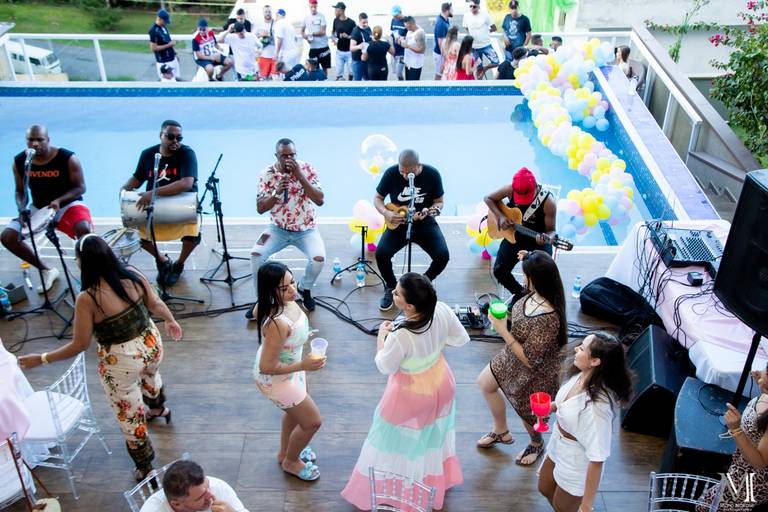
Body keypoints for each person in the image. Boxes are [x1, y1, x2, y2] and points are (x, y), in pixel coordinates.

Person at [19, 234, 182, 482]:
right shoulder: (132, 274)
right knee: (151, 375)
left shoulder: (88, 298)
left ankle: (145, 465)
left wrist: (41, 358)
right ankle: (158, 408)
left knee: (129, 412)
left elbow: (79, 345)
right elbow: (156, 302)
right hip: (151, 344)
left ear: (83, 262)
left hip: (122, 361)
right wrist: (170, 320)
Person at [341, 273, 469, 510]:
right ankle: (430, 480)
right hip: (442, 382)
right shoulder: (441, 309)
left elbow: (385, 366)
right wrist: (433, 347)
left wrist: (382, 336)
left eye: (397, 293)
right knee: (431, 437)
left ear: (409, 306)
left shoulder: (401, 335)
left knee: (393, 441)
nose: (393, 293)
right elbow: (460, 338)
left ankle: (400, 489)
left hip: (411, 394)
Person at [478, 250, 567, 467]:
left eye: (525, 273)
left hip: (535, 372)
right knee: (485, 383)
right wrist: (504, 317)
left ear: (535, 278)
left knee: (528, 414)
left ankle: (536, 443)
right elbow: (523, 323)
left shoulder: (549, 317)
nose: (522, 277)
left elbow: (530, 361)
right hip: (512, 354)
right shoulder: (532, 294)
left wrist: (502, 330)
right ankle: (501, 430)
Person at [538, 333, 632, 512]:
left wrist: (586, 507)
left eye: (581, 348)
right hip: (558, 444)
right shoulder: (581, 375)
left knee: (562, 506)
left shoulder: (598, 409)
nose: (576, 349)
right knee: (544, 487)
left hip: (576, 462)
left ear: (595, 361)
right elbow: (568, 404)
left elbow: (597, 459)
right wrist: (551, 406)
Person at [253, 262, 325, 481]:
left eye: (292, 282)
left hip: (291, 371)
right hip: (276, 379)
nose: (293, 290)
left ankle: (286, 452)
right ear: (270, 292)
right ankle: (291, 462)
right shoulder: (277, 323)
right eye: (284, 288)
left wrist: (297, 339)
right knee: (312, 422)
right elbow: (266, 367)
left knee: (295, 413)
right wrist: (303, 365)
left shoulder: (284, 302)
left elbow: (259, 311)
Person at [2, 124, 94, 293]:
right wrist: (21, 210)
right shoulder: (21, 161)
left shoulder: (67, 157)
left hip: (67, 204)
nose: (35, 143)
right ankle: (47, 270)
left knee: (85, 231)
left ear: (48, 140)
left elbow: (80, 188)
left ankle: (90, 277)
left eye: (40, 139)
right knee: (8, 237)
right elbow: (20, 191)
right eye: (31, 140)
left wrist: (59, 200)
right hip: (39, 208)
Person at [248, 139, 325, 314]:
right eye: (284, 156)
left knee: (319, 259)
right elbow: (260, 208)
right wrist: (276, 193)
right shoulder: (267, 174)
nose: (289, 159)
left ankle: (304, 288)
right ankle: (263, 299)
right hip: (277, 228)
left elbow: (320, 200)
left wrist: (299, 175)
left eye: (292, 155)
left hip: (306, 229)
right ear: (276, 156)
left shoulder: (307, 168)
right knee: (256, 255)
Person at [123, 120, 200, 288]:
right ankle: (162, 260)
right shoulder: (148, 154)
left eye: (179, 138)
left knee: (193, 236)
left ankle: (179, 264)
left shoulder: (187, 153)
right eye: (171, 137)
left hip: (182, 203)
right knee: (138, 235)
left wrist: (152, 193)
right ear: (161, 136)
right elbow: (138, 177)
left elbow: (186, 183)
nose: (175, 141)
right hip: (154, 204)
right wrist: (124, 192)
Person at [373, 149, 449, 311]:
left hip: (424, 223)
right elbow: (378, 198)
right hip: (399, 223)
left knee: (442, 255)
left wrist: (433, 210)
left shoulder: (432, 174)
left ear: (418, 166)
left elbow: (439, 201)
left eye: (409, 173)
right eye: (402, 172)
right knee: (381, 254)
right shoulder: (391, 173)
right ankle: (391, 286)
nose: (405, 176)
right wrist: (386, 212)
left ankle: (425, 281)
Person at [485, 167, 557, 303]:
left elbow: (552, 231)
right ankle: (520, 293)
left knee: (543, 275)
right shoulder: (510, 189)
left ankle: (537, 299)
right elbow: (488, 198)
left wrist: (546, 238)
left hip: (538, 241)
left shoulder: (548, 202)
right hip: (514, 236)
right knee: (499, 270)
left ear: (535, 186)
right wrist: (500, 216)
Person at [139, 459, 248, 512]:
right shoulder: (152, 509)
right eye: (200, 497)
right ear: (177, 504)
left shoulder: (218, 487)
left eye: (207, 486)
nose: (210, 495)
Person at [462, 0, 499, 78]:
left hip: (486, 45)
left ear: (478, 6)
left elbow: (494, 28)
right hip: (474, 47)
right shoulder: (466, 15)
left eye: (474, 6)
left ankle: (484, 69)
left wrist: (485, 32)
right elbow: (466, 27)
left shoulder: (485, 15)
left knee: (496, 62)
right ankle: (479, 82)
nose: (472, 8)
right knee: (478, 67)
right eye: (470, 6)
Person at [149, 9, 179, 81]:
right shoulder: (154, 30)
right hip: (163, 61)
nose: (166, 23)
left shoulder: (164, 28)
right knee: (167, 81)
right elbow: (153, 48)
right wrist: (169, 45)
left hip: (172, 58)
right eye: (165, 21)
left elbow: (168, 40)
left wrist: (174, 53)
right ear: (160, 19)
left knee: (175, 79)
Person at [303, 0, 331, 74]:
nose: (313, 9)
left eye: (315, 7)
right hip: (313, 48)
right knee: (313, 69)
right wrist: (306, 38)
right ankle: (316, 81)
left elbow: (323, 32)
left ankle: (325, 80)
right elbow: (302, 31)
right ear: (309, 6)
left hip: (323, 47)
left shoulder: (321, 16)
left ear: (317, 6)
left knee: (325, 69)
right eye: (312, 7)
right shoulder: (306, 18)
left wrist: (311, 34)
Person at [331, 2, 355, 80]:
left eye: (336, 10)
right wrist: (334, 38)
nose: (335, 12)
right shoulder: (335, 20)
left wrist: (348, 36)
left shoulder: (351, 23)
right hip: (339, 52)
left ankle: (351, 86)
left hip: (350, 52)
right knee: (338, 73)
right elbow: (333, 32)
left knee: (352, 72)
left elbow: (356, 36)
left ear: (341, 10)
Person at [401, 16, 426, 81]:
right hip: (408, 63)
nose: (406, 28)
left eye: (407, 26)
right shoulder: (410, 30)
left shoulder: (419, 33)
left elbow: (422, 50)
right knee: (408, 83)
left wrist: (408, 46)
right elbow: (410, 41)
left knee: (413, 85)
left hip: (415, 65)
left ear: (412, 24)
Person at [349, 12, 372, 81]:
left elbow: (370, 38)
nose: (366, 24)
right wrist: (359, 46)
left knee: (368, 79)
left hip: (367, 59)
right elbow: (351, 48)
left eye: (367, 22)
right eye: (363, 23)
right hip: (357, 61)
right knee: (357, 80)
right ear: (359, 21)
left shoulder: (368, 28)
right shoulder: (356, 31)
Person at [433, 2, 453, 80]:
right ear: (447, 11)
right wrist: (445, 57)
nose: (453, 11)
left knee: (443, 74)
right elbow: (440, 42)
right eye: (451, 10)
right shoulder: (441, 23)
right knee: (439, 74)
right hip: (440, 54)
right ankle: (435, 87)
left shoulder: (445, 19)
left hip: (443, 53)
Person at [256, 5, 277, 80]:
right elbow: (253, 38)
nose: (268, 13)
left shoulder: (276, 23)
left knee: (274, 79)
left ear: (272, 12)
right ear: (263, 13)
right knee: (263, 78)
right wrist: (261, 35)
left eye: (269, 12)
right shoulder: (259, 24)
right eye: (266, 12)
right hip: (263, 56)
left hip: (275, 56)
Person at [389, 5, 407, 80]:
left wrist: (403, 38)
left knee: (398, 72)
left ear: (400, 12)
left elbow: (412, 36)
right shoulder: (393, 20)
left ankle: (402, 84)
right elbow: (392, 32)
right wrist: (389, 39)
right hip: (394, 49)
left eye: (396, 15)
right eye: (393, 15)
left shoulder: (406, 21)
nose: (395, 17)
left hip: (403, 51)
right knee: (395, 72)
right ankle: (401, 83)